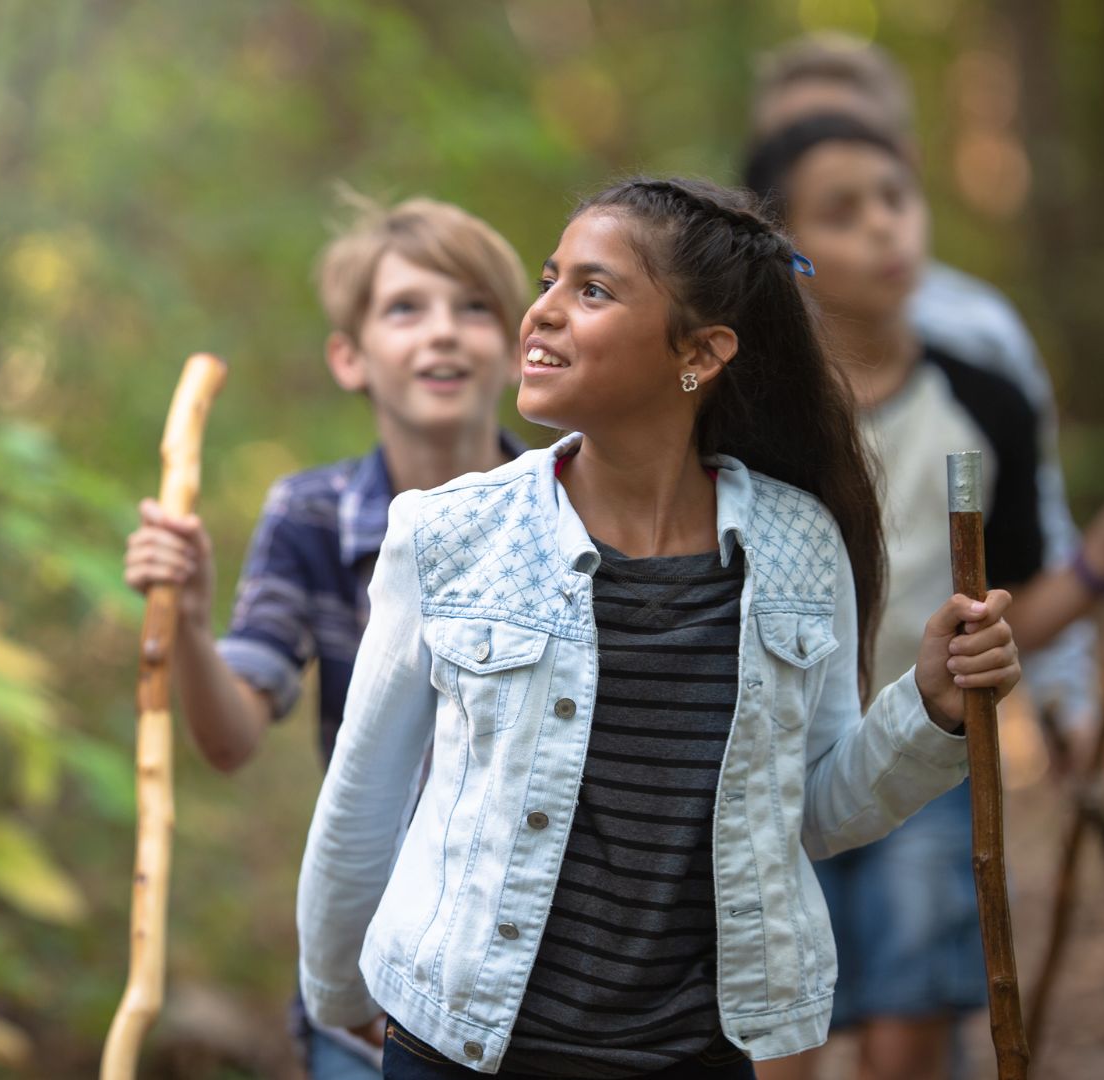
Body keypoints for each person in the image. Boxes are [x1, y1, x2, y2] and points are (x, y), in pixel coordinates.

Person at [296, 176, 1025, 1079]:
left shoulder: (796, 544)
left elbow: (817, 808)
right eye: (548, 279)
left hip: (692, 1056)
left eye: (592, 291)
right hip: (459, 1049)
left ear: (700, 352)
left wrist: (932, 707)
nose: (542, 314)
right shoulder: (447, 535)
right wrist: (339, 1000)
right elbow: (361, 802)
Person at [743, 112, 1104, 1080]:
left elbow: (1014, 604)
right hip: (768, 769)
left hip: (929, 763)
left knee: (912, 1025)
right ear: (784, 249)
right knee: (778, 1031)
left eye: (896, 200)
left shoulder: (985, 399)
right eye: (843, 211)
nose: (883, 228)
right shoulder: (747, 416)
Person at [123, 192, 531, 1078]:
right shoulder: (310, 515)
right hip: (369, 986)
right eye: (405, 309)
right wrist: (188, 621)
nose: (444, 334)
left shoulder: (570, 509)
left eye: (474, 308)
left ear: (514, 344)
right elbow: (230, 737)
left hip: (538, 983)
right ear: (351, 356)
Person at [749, 32, 1100, 729]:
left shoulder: (982, 344)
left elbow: (1033, 539)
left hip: (926, 738)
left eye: (888, 191)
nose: (880, 226)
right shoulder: (734, 386)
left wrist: (1067, 698)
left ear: (906, 162)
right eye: (800, 141)